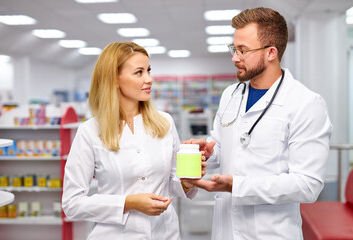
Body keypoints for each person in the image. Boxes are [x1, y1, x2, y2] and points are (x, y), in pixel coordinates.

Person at [183, 7, 332, 239]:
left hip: (271, 232)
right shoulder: (230, 95)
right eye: (234, 49)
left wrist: (236, 186)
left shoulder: (305, 103)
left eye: (242, 50)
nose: (234, 58)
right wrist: (210, 152)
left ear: (271, 52)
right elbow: (226, 148)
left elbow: (308, 184)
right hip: (225, 230)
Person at [62, 42, 206, 240]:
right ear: (113, 79)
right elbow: (72, 204)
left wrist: (189, 182)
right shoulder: (90, 132)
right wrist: (129, 202)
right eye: (139, 72)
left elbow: (172, 184)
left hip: (164, 233)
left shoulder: (164, 123)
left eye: (148, 70)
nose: (149, 79)